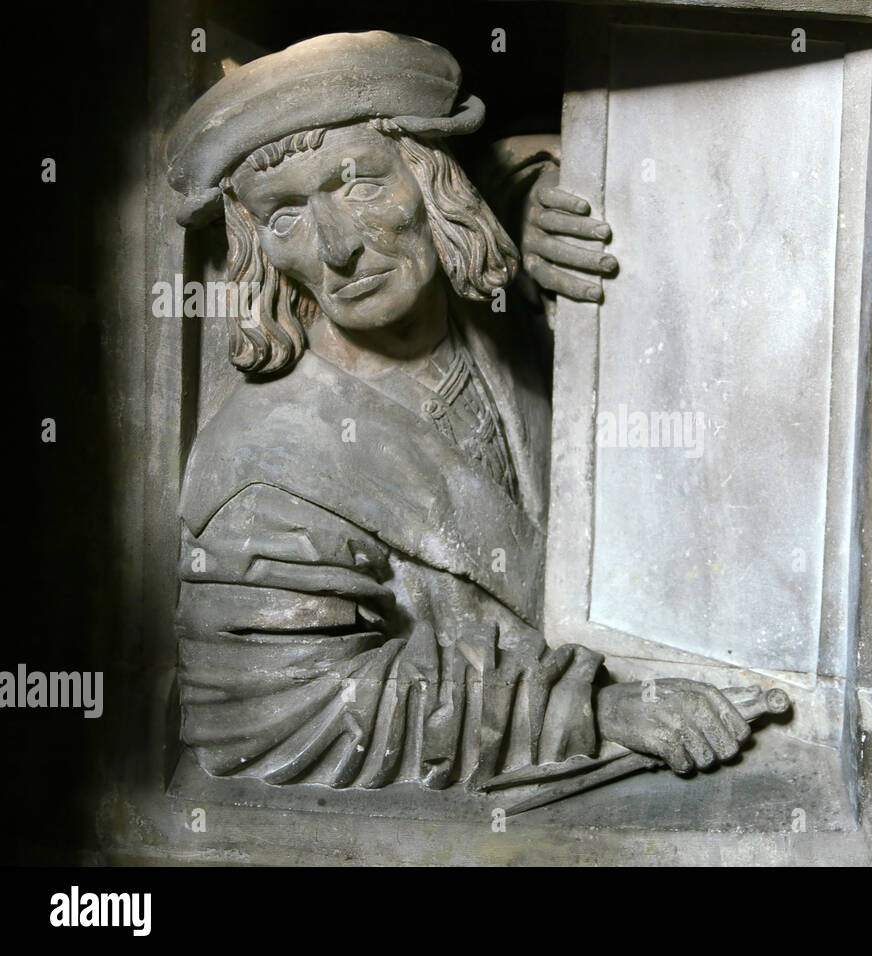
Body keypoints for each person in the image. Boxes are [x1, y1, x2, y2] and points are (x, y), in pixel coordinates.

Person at [165, 31, 751, 792]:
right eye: (285, 219)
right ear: (257, 248)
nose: (340, 247)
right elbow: (277, 718)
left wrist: (525, 194)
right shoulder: (261, 475)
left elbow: (543, 179)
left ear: (433, 181)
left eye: (363, 185)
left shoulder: (494, 316)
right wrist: (588, 713)